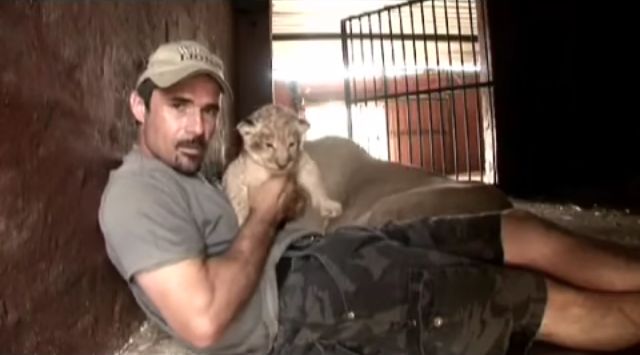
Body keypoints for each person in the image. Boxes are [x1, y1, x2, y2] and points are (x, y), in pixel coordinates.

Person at [99, 40, 640, 355]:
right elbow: (205, 319)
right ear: (139, 107)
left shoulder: (187, 175)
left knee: (516, 229)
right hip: (304, 305)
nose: (198, 126)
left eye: (209, 109)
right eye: (178, 106)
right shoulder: (133, 195)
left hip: (322, 254)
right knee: (522, 296)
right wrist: (264, 217)